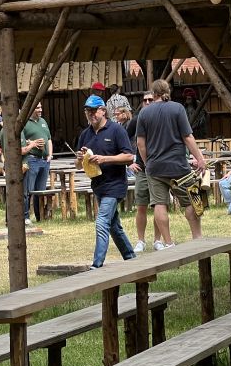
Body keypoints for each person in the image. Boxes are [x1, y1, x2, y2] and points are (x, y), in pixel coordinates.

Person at [135, 79, 207, 249]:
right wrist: (200, 159)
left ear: (154, 94)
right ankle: (197, 237)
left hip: (155, 168)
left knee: (160, 204)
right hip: (179, 166)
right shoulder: (177, 108)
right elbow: (187, 137)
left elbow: (140, 143)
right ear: (168, 91)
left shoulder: (144, 113)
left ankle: (168, 243)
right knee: (191, 200)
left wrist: (147, 163)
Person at [76, 95, 137, 269]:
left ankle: (97, 265)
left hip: (115, 184)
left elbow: (129, 157)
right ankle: (131, 258)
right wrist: (80, 159)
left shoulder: (116, 130)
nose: (91, 114)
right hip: (98, 185)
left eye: (94, 110)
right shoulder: (85, 134)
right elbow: (78, 165)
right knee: (113, 226)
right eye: (87, 111)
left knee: (102, 221)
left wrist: (104, 159)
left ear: (103, 111)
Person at [122, 92, 160, 253]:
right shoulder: (136, 120)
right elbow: (123, 140)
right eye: (145, 100)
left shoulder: (161, 118)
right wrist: (129, 162)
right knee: (141, 206)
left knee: (159, 206)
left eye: (151, 99)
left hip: (159, 169)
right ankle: (141, 241)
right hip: (142, 170)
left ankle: (158, 240)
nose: (148, 102)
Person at [20, 102, 52, 224]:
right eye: (38, 108)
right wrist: (31, 143)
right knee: (29, 190)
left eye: (41, 107)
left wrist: (50, 155)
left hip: (44, 161)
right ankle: (26, 216)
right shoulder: (25, 123)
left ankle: (40, 217)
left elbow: (49, 139)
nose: (40, 110)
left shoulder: (43, 121)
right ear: (31, 108)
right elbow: (21, 140)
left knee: (40, 191)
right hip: (32, 159)